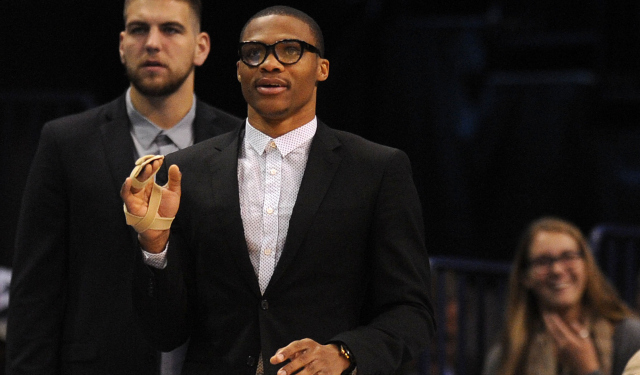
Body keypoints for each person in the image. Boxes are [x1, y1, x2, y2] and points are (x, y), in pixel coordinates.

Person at [121, 5, 435, 375]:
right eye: (254, 52)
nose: (270, 64)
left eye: (290, 50)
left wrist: (345, 353)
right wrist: (155, 248)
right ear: (239, 70)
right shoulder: (187, 170)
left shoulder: (376, 169)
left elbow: (411, 312)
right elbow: (164, 332)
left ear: (323, 68)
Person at [6, 0, 240, 374]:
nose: (152, 43)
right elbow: (35, 290)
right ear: (120, 44)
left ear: (202, 46)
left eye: (171, 29)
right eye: (138, 29)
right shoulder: (66, 143)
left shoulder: (238, 143)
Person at [483, 217, 640, 375]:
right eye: (543, 261)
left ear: (587, 265)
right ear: (525, 276)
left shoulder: (631, 338)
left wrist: (589, 370)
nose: (557, 270)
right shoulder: (507, 353)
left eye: (568, 256)